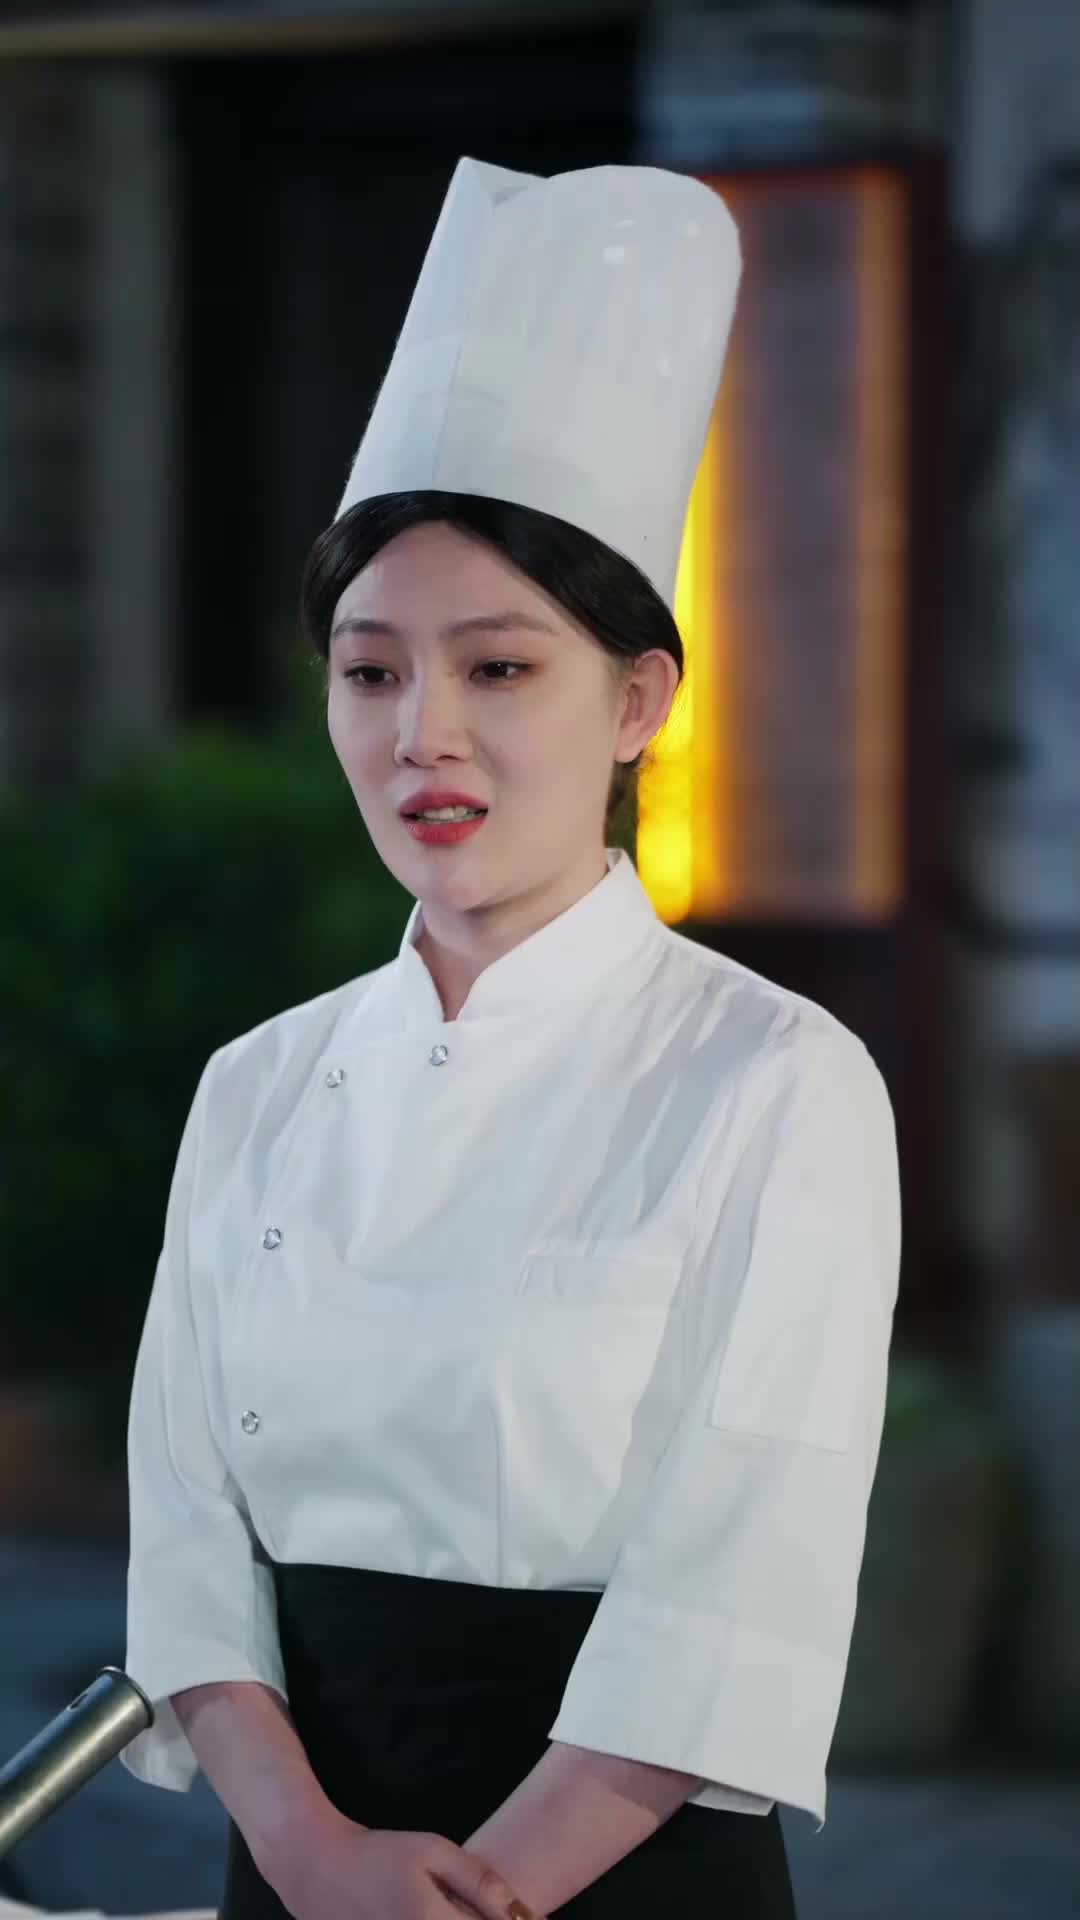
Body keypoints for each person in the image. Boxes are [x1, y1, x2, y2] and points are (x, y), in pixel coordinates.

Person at [121, 157, 901, 1920]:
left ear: (638, 700)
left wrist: (481, 1897)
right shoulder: (258, 1086)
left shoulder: (771, 1079)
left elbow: (737, 1574)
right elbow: (187, 1538)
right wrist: (312, 1859)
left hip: (614, 1870)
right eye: (370, 670)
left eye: (499, 668)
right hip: (299, 1864)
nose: (424, 736)